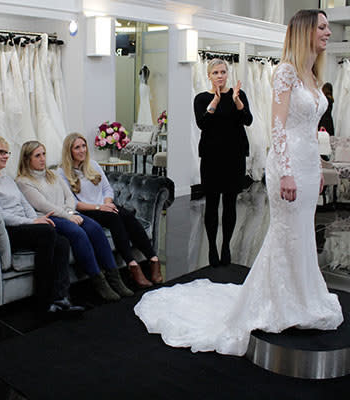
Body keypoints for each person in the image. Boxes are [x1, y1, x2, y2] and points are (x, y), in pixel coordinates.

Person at [134, 9, 343, 357]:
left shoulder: (311, 72)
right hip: (287, 164)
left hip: (307, 165)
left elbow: (308, 128)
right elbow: (277, 127)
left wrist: (317, 167)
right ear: (306, 31)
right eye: (322, 27)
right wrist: (288, 170)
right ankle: (279, 300)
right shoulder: (286, 72)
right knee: (286, 232)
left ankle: (304, 296)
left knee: (304, 230)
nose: (327, 33)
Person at [0, 136, 85, 317]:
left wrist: (37, 218)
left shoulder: (5, 178)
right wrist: (32, 222)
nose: (6, 156)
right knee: (48, 232)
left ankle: (61, 298)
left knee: (61, 241)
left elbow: (24, 204)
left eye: (7, 152)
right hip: (6, 231)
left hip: (23, 225)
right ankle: (43, 301)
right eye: (1, 152)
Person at [15, 140, 134, 302]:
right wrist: (68, 216)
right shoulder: (23, 181)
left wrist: (70, 211)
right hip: (50, 216)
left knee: (95, 228)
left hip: (67, 212)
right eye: (37, 156)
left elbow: (69, 196)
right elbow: (42, 204)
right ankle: (99, 282)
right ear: (27, 159)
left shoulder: (53, 174)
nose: (42, 158)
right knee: (78, 233)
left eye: (43, 154)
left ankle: (115, 279)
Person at [58, 132, 162, 288]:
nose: (82, 150)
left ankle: (153, 259)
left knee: (126, 215)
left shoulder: (93, 164)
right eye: (77, 147)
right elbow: (73, 204)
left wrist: (107, 203)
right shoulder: (62, 173)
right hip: (87, 210)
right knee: (114, 218)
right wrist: (100, 207)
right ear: (69, 151)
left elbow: (107, 189)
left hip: (103, 205)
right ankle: (132, 265)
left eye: (84, 146)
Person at [193, 58, 253, 266]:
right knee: (211, 203)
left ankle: (226, 245)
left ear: (227, 74)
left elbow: (248, 120)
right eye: (215, 73)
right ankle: (211, 246)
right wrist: (215, 102)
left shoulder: (239, 95)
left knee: (230, 203)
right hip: (211, 157)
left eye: (223, 72)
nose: (220, 76)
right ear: (208, 75)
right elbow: (202, 123)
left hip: (234, 156)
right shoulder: (201, 98)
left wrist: (237, 102)